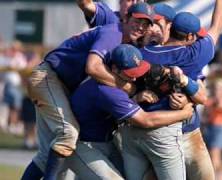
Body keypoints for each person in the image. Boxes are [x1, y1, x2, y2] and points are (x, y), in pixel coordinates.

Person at [78, 1, 222, 179]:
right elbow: (216, 27)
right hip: (163, 132)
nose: (151, 28)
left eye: (153, 23)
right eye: (149, 23)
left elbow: (201, 95)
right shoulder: (194, 54)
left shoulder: (139, 52)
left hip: (137, 132)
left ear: (170, 27)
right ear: (189, 37)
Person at [22, 3, 154, 180]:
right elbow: (92, 67)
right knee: (68, 134)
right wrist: (126, 87)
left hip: (61, 84)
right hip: (48, 78)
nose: (141, 27)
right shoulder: (114, 32)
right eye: (137, 21)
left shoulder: (126, 40)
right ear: (126, 18)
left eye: (146, 24)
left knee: (48, 154)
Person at [64, 44, 194, 180]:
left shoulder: (108, 78)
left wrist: (135, 99)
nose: (134, 78)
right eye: (130, 74)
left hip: (105, 141)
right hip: (82, 145)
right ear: (114, 69)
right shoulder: (107, 91)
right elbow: (146, 120)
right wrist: (184, 114)